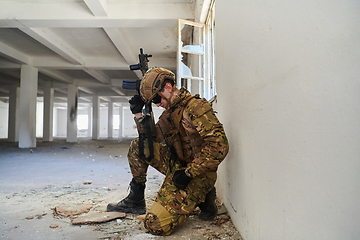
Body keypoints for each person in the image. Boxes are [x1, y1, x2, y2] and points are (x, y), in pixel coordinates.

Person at [107, 67, 229, 235]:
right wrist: (138, 115)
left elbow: (219, 146)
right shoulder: (170, 113)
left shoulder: (196, 107)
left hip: (198, 174)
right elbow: (151, 141)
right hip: (179, 168)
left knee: (155, 225)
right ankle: (136, 199)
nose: (157, 103)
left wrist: (188, 173)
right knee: (138, 146)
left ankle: (204, 196)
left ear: (168, 87)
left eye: (157, 97)